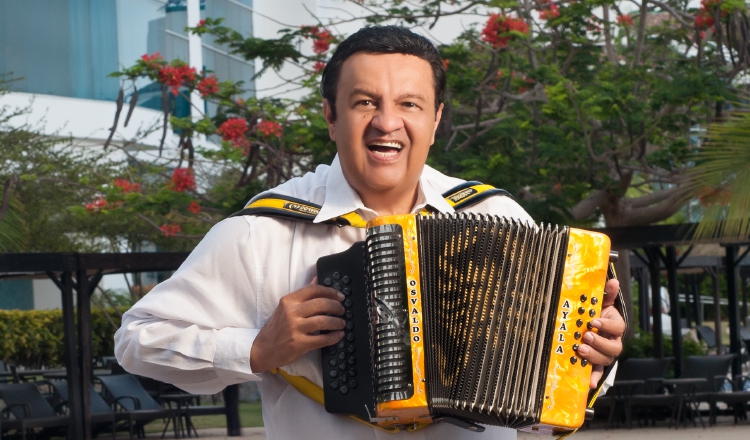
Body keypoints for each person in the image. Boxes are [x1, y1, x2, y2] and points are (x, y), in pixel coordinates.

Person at [115, 26, 625, 439]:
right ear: (331, 117)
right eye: (364, 102)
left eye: (410, 104)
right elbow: (137, 341)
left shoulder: (501, 216)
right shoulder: (261, 230)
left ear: (436, 118)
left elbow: (543, 411)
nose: (387, 123)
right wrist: (256, 349)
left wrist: (593, 366)